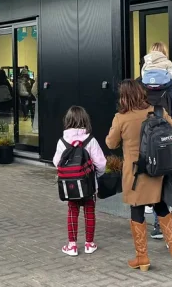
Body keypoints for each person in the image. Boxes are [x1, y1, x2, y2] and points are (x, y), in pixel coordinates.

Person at [106, 80, 172, 272]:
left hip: (136, 173)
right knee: (161, 205)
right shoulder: (158, 111)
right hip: (158, 170)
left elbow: (111, 143)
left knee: (137, 210)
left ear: (123, 97)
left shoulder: (121, 118)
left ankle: (142, 258)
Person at [139, 42, 172, 240]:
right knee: (165, 178)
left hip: (144, 137)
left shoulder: (139, 85)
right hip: (167, 138)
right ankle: (161, 226)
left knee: (147, 174)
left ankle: (146, 208)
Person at [53, 106, 106, 257]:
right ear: (85, 120)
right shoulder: (91, 140)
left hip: (70, 186)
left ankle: (72, 245)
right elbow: (101, 163)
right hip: (88, 185)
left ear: (67, 120)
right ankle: (89, 244)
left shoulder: (62, 141)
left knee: (72, 212)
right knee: (89, 212)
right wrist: (96, 176)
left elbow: (57, 162)